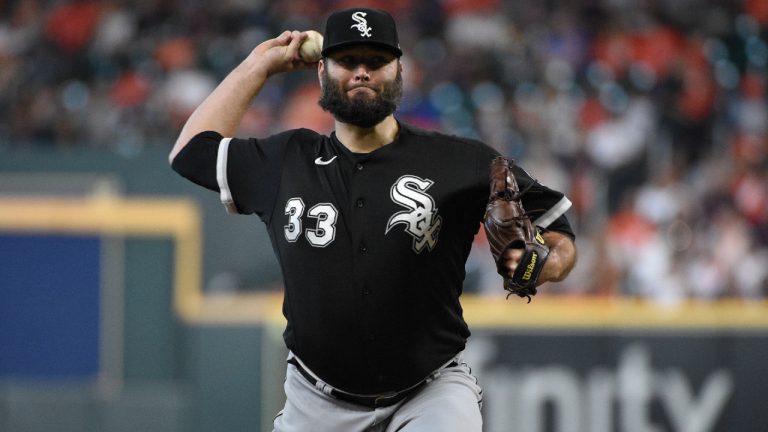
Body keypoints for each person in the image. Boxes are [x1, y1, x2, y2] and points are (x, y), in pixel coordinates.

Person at [170, 7, 576, 432]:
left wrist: (542, 263)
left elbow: (560, 232)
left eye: (376, 61)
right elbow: (190, 153)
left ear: (399, 69)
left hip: (430, 393)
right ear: (321, 72)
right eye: (347, 60)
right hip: (316, 401)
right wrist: (259, 66)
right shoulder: (284, 160)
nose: (362, 72)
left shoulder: (463, 161)